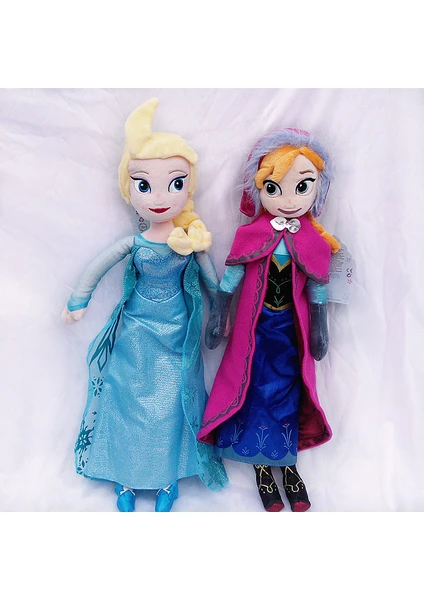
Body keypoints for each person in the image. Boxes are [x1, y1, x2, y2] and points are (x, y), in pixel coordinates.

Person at [62, 98, 227, 512]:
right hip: (135, 332)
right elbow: (98, 267)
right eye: (144, 185)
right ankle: (125, 478)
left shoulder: (190, 241)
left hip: (177, 334)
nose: (159, 197)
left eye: (175, 183)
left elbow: (212, 283)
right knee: (127, 398)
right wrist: (79, 300)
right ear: (130, 188)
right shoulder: (134, 244)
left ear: (188, 188)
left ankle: (168, 478)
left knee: (174, 403)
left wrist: (223, 315)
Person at [197, 129, 340, 512]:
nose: (289, 201)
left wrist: (319, 327)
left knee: (288, 393)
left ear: (317, 189)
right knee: (252, 391)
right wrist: (219, 315)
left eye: (302, 187)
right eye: (274, 189)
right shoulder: (251, 235)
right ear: (258, 190)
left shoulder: (313, 242)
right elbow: (231, 278)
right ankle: (262, 469)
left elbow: (318, 287)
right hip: (253, 334)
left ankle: (288, 465)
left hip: (290, 336)